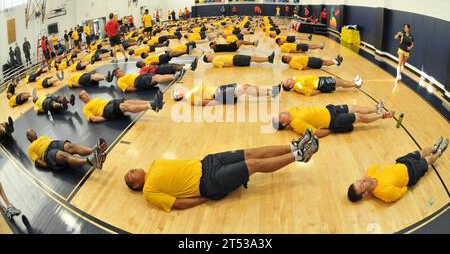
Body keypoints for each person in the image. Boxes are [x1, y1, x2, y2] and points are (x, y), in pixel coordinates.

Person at [124, 130, 319, 212]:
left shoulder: (154, 163)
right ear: (136, 184)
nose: (131, 170)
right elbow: (177, 204)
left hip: (207, 161)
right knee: (253, 165)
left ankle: (293, 147)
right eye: (130, 174)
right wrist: (204, 198)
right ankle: (300, 156)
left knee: (250, 152)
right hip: (209, 183)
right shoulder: (149, 192)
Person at [347, 138, 448, 203]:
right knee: (428, 160)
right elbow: (402, 191)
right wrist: (405, 180)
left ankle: (434, 147)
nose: (362, 181)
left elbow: (379, 166)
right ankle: (439, 152)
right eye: (362, 185)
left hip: (402, 161)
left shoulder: (370, 171)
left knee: (421, 152)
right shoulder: (385, 193)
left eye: (359, 181)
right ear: (365, 194)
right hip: (412, 173)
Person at [273, 102, 395, 137]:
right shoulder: (297, 124)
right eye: (280, 116)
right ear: (284, 123)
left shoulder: (292, 110)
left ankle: (375, 108)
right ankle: (382, 116)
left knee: (353, 107)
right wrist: (332, 130)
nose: (281, 112)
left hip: (330, 109)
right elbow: (317, 133)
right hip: (334, 121)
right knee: (359, 117)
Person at [26, 129, 106, 170]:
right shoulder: (30, 148)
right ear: (28, 137)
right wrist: (49, 165)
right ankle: (90, 161)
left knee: (70, 146)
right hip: (47, 153)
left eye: (33, 130)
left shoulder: (42, 137)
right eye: (31, 131)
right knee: (63, 155)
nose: (34, 131)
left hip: (54, 143)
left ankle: (95, 150)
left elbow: (52, 142)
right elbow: (37, 160)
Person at [78, 89, 163, 123]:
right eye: (83, 94)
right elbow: (93, 119)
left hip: (109, 103)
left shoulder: (93, 99)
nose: (86, 94)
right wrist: (108, 118)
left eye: (86, 93)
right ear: (81, 99)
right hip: (106, 111)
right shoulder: (85, 109)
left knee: (128, 101)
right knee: (124, 106)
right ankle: (152, 106)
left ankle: (153, 102)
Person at [172, 82, 281, 106]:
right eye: (178, 91)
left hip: (220, 89)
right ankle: (271, 92)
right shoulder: (189, 97)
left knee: (246, 85)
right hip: (219, 94)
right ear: (180, 95)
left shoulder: (191, 91)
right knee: (245, 88)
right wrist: (221, 101)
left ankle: (271, 90)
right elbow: (204, 102)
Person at [112, 68, 183, 93]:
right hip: (138, 81)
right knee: (156, 78)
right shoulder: (119, 81)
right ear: (117, 74)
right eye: (120, 71)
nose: (122, 71)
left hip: (140, 77)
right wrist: (139, 88)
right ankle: (175, 77)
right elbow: (127, 88)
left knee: (157, 76)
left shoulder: (125, 76)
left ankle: (173, 76)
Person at [281, 74, 363, 96]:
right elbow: (309, 93)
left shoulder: (295, 81)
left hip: (320, 80)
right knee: (339, 82)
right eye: (287, 82)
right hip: (321, 84)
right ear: (290, 87)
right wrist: (321, 90)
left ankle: (353, 82)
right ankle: (356, 84)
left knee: (338, 81)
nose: (288, 79)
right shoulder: (298, 86)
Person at [202, 52, 275, 68]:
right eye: (208, 55)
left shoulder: (215, 59)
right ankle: (269, 59)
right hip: (235, 60)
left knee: (252, 58)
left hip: (235, 58)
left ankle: (268, 59)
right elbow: (224, 65)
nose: (209, 54)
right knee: (253, 59)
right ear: (208, 59)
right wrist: (234, 65)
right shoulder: (215, 62)